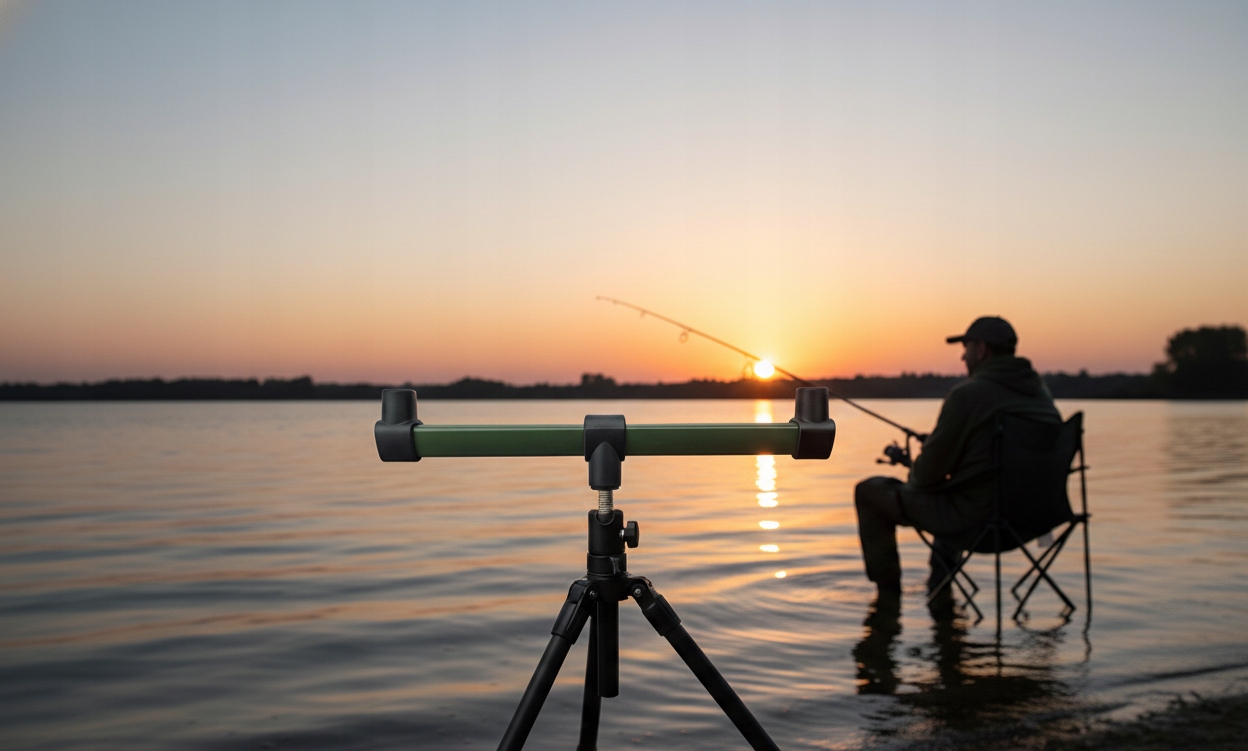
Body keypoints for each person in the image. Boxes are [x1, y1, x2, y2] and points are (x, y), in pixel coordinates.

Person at [854, 316, 1060, 597]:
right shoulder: (1041, 395)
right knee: (959, 493)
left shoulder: (967, 395)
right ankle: (941, 589)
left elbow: (924, 477)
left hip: (979, 524)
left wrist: (925, 457)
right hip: (1036, 519)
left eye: (966, 347)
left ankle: (888, 599)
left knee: (869, 491)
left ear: (982, 349)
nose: (963, 356)